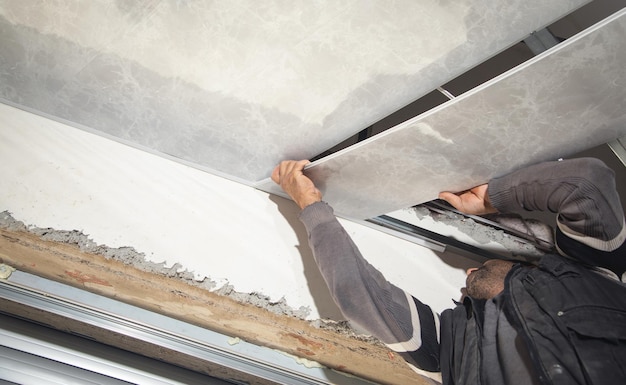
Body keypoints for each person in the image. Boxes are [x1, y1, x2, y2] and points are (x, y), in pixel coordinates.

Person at [271, 157, 626, 384]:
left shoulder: (444, 358)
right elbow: (587, 184)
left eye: (462, 298)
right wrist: (491, 199)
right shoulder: (597, 273)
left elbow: (359, 296)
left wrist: (311, 206)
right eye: (474, 274)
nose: (466, 279)